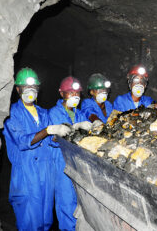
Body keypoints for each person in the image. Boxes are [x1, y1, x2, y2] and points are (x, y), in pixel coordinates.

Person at [3, 67, 72, 231]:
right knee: (30, 223)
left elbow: (52, 142)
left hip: (46, 174)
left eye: (34, 88)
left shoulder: (43, 113)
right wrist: (48, 131)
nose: (30, 91)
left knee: (45, 222)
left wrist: (62, 134)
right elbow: (22, 141)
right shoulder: (12, 113)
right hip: (26, 175)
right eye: (26, 88)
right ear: (18, 89)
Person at [48, 76, 92, 231]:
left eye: (77, 93)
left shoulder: (79, 114)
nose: (75, 96)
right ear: (62, 94)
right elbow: (57, 137)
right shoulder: (54, 112)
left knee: (81, 208)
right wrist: (77, 126)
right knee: (66, 205)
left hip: (79, 165)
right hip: (62, 165)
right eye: (70, 92)